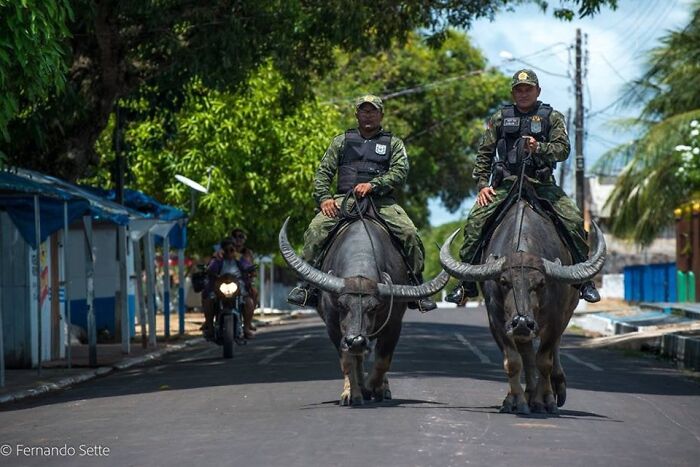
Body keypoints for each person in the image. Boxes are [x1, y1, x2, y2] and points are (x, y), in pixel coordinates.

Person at [445, 69, 600, 305]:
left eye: (528, 89)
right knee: (476, 222)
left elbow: (563, 150)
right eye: (519, 89)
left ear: (538, 91)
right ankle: (466, 284)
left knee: (574, 221)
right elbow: (484, 153)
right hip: (507, 183)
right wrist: (482, 185)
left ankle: (583, 281)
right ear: (513, 92)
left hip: (541, 183)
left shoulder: (552, 117)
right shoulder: (499, 118)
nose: (524, 93)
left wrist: (539, 148)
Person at [287, 94, 437, 311]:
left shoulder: (393, 143)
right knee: (315, 230)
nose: (368, 115)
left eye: (373, 110)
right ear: (356, 113)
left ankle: (416, 286)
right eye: (364, 110)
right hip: (344, 200)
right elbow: (323, 173)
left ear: (381, 114)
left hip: (382, 201)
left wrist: (374, 185)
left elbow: (400, 172)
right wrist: (324, 198)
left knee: (410, 233)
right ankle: (307, 286)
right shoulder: (341, 141)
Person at [202, 236, 256, 340]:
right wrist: (208, 268)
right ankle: (210, 327)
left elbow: (249, 267)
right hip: (219, 288)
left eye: (231, 249)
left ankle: (246, 328)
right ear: (222, 250)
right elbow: (210, 268)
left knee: (249, 302)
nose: (229, 252)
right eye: (226, 249)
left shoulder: (240, 259)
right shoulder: (218, 260)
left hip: (239, 288)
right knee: (208, 300)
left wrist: (251, 270)